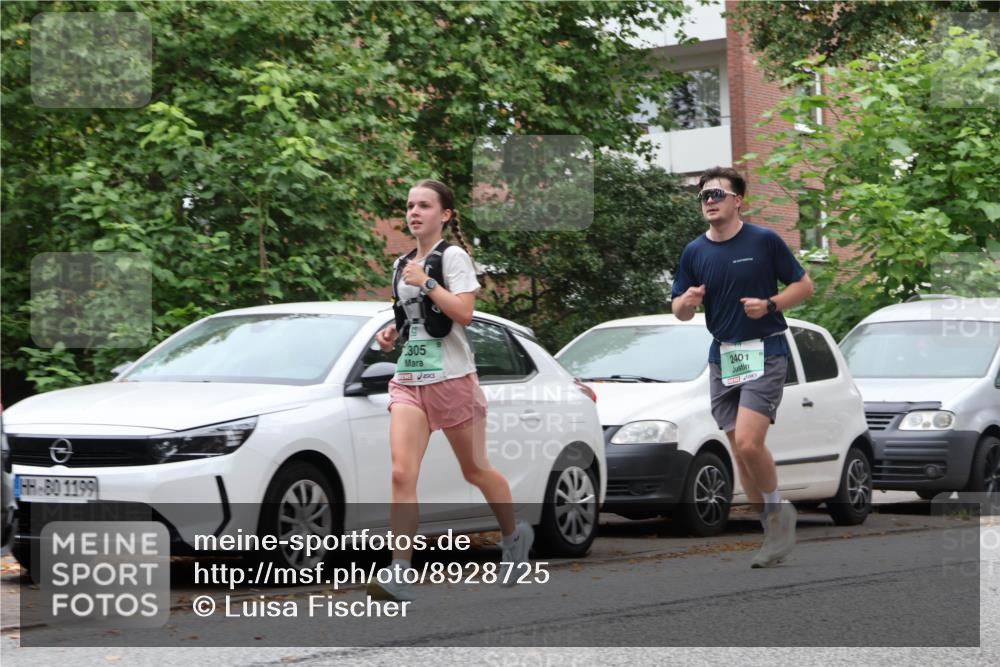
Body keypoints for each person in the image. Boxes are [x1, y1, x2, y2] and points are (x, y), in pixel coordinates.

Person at [367, 179, 533, 602]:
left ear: (445, 215)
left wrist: (425, 282)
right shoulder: (403, 262)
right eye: (409, 206)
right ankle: (399, 571)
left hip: (453, 379)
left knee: (475, 470)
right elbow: (413, 321)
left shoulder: (453, 257)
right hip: (410, 380)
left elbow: (463, 312)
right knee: (402, 473)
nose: (414, 212)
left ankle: (514, 537)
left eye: (424, 205)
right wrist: (392, 334)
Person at [671, 166, 815, 568]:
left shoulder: (764, 240)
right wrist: (688, 301)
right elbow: (679, 310)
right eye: (704, 196)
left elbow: (804, 286)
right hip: (724, 356)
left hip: (765, 350)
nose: (710, 201)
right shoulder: (694, 252)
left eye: (718, 194)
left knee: (751, 443)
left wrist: (770, 304)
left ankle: (777, 514)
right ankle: (772, 532)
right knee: (741, 453)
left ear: (738, 200)